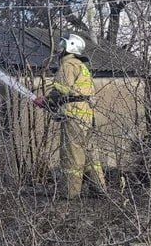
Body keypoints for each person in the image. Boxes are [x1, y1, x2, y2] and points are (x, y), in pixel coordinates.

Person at [33, 33, 107, 199]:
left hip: (74, 114)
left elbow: (61, 90)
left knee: (72, 155)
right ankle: (99, 189)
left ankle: (70, 193)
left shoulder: (67, 65)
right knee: (90, 155)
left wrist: (45, 101)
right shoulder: (82, 66)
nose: (59, 50)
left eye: (62, 46)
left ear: (69, 47)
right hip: (87, 115)